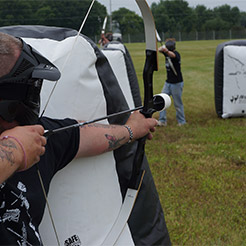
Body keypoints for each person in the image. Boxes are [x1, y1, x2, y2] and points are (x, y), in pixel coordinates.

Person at [0, 32, 157, 245]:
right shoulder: (20, 143)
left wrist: (131, 129)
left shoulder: (33, 137)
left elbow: (81, 135)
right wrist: (14, 150)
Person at [157, 38, 186, 126]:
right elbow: (159, 50)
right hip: (168, 83)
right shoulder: (166, 53)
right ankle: (162, 121)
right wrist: (162, 49)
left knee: (178, 103)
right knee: (161, 101)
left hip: (176, 83)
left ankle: (182, 121)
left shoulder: (176, 54)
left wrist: (166, 50)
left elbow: (172, 55)